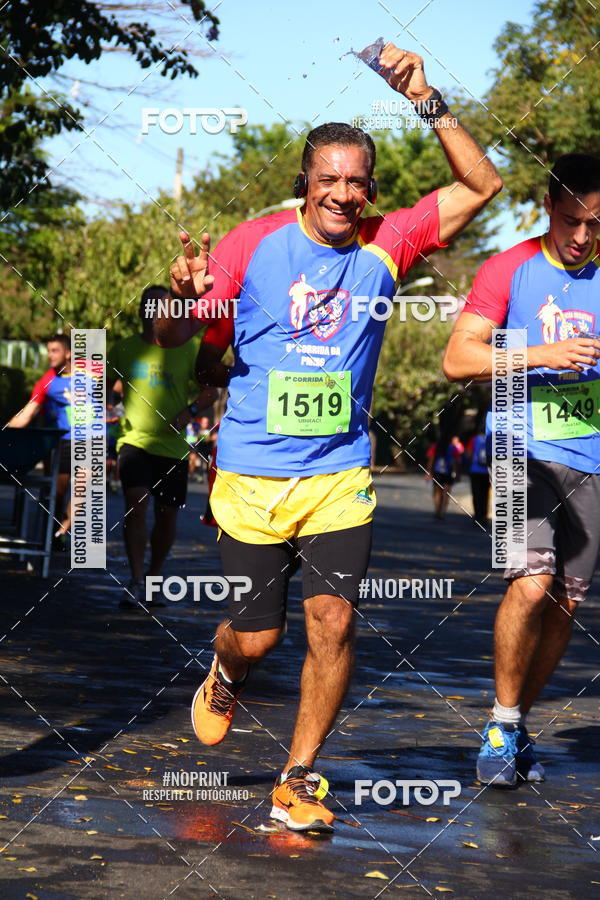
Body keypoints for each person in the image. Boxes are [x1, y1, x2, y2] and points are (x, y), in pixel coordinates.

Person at [160, 43, 502, 831]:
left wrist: (424, 95)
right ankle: (223, 669)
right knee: (258, 634)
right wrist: (180, 301)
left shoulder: (392, 239)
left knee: (334, 622)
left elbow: (483, 185)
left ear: (369, 186)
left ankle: (299, 776)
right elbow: (183, 341)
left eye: (357, 180)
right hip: (250, 471)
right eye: (329, 179)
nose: (344, 193)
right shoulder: (253, 244)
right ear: (303, 185)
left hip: (339, 475)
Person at [443, 152, 600, 787]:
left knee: (566, 602)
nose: (584, 236)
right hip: (520, 449)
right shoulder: (512, 267)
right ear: (548, 209)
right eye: (572, 221)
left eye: (597, 224)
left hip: (591, 456)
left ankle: (515, 724)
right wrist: (540, 354)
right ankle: (502, 722)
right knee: (531, 583)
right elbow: (458, 358)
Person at [107, 285, 213, 609]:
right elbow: (104, 388)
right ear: (141, 311)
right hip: (133, 440)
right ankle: (136, 580)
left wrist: (191, 412)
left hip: (173, 447)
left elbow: (210, 391)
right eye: (150, 307)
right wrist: (107, 409)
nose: (156, 313)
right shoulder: (123, 349)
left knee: (167, 517)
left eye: (163, 307)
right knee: (134, 504)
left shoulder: (190, 349)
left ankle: (154, 577)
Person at [7, 333, 75, 545]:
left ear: (68, 353)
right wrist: (5, 430)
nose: (50, 356)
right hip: (60, 441)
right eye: (48, 351)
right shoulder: (48, 381)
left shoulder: (92, 371)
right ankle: (54, 532)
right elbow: (27, 414)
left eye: (55, 351)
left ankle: (64, 527)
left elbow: (113, 386)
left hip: (92, 439)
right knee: (57, 491)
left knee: (87, 486)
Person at [426, 432, 460, 520]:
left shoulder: (436, 446)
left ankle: (437, 510)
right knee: (446, 493)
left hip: (438, 471)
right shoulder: (453, 447)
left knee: (437, 492)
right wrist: (457, 473)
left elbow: (431, 459)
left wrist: (429, 472)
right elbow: (456, 461)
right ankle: (443, 512)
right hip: (449, 472)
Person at [465, 426, 490, 528]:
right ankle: (484, 516)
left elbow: (469, 454)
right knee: (485, 494)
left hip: (475, 470)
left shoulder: (474, 439)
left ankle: (477, 516)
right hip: (487, 471)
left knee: (476, 493)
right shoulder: (491, 439)